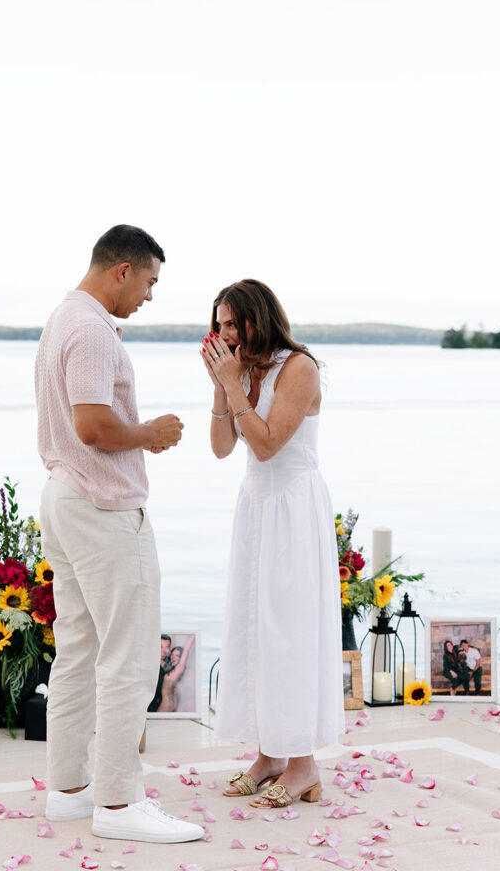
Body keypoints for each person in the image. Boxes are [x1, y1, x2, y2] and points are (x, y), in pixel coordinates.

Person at [35, 224, 203, 844]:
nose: (150, 296)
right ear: (123, 270)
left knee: (78, 651)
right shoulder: (90, 330)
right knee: (129, 659)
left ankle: (69, 791)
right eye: (150, 282)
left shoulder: (64, 318)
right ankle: (118, 802)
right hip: (101, 506)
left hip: (66, 496)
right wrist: (150, 434)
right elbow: (93, 426)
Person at [201, 279, 344, 809]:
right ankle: (269, 755)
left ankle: (304, 764)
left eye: (233, 323)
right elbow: (222, 448)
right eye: (219, 325)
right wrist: (222, 386)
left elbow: (266, 445)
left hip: (293, 509)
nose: (225, 334)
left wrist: (232, 383)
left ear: (258, 319)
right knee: (255, 630)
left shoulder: (298, 367)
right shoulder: (243, 370)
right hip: (256, 508)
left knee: (290, 632)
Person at [157, 634, 196, 713]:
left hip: (166, 708)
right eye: (172, 655)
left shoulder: (177, 670)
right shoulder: (168, 669)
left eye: (177, 656)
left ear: (181, 658)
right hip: (165, 707)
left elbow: (186, 650)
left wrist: (192, 637)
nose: (173, 657)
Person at [147, 634, 172, 712]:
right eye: (160, 647)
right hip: (150, 704)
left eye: (167, 647)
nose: (164, 651)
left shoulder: (170, 662)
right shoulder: (148, 664)